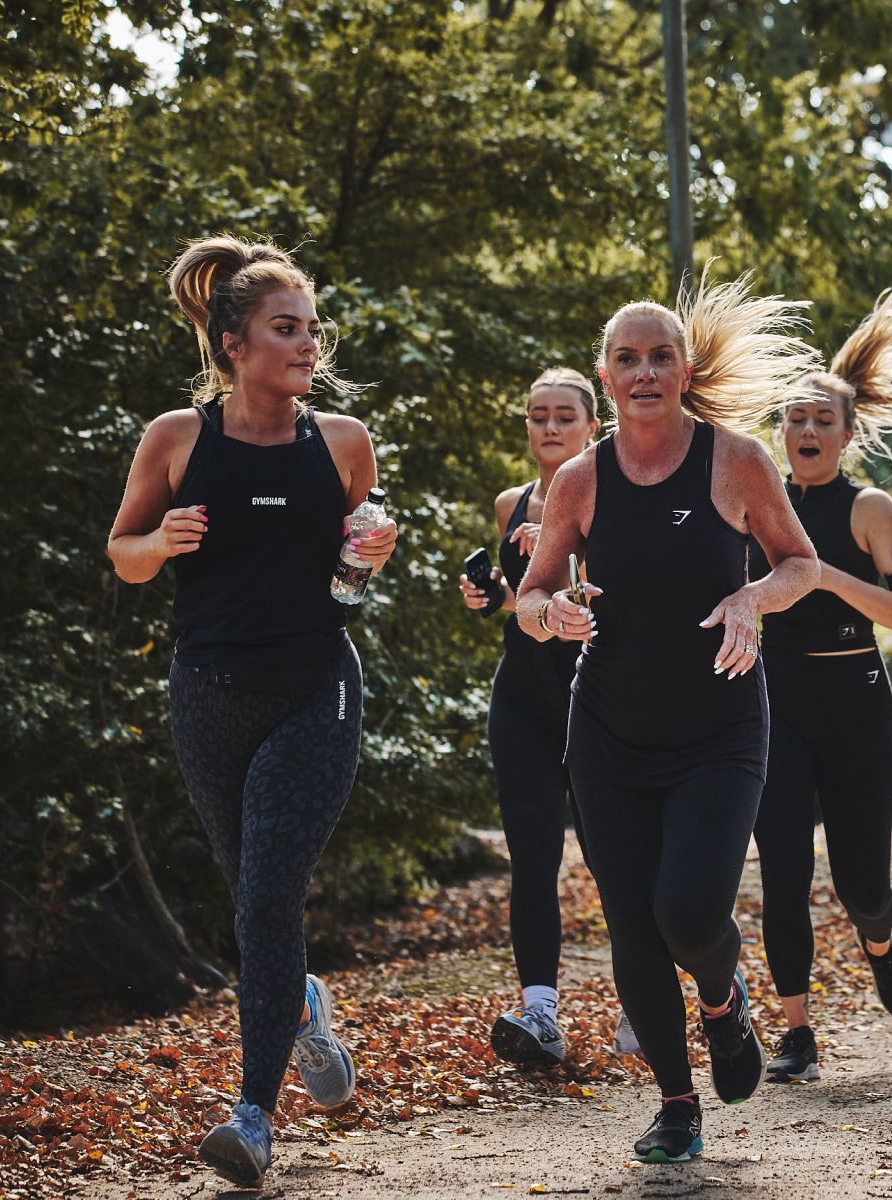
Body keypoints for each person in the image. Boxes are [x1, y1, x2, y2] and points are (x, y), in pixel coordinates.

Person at [106, 236, 399, 1187]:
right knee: (254, 906)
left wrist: (368, 557)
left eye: (312, 328)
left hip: (317, 687)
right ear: (234, 343)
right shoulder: (177, 439)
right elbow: (123, 554)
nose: (308, 344)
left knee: (268, 898)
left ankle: (254, 1116)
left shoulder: (343, 443)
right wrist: (165, 536)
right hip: (208, 695)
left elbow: (349, 585)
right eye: (286, 329)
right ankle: (301, 1006)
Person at [515, 275, 819, 1164]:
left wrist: (753, 598)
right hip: (607, 731)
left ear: (685, 370)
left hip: (721, 729)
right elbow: (531, 592)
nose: (644, 372)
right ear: (604, 376)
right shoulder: (578, 480)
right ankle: (677, 1104)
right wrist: (552, 611)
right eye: (626, 359)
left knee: (687, 911)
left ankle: (724, 1003)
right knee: (633, 925)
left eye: (660, 357)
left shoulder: (738, 462)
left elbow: (800, 565)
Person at [749, 284, 892, 1083]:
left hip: (855, 696)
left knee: (862, 878)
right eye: (795, 418)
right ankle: (797, 1030)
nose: (807, 429)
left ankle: (879, 942)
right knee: (783, 871)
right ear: (781, 432)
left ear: (849, 432)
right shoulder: (756, 503)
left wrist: (825, 576)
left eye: (823, 418)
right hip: (775, 701)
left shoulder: (871, 508)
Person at [457, 369, 600, 1063]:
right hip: (523, 696)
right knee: (533, 857)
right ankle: (539, 1012)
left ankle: (645, 1003)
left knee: (614, 859)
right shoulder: (510, 501)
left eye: (564, 416)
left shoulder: (614, 493)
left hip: (598, 693)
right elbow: (522, 602)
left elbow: (620, 595)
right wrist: (487, 595)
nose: (549, 427)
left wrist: (567, 541)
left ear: (591, 426)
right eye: (538, 415)